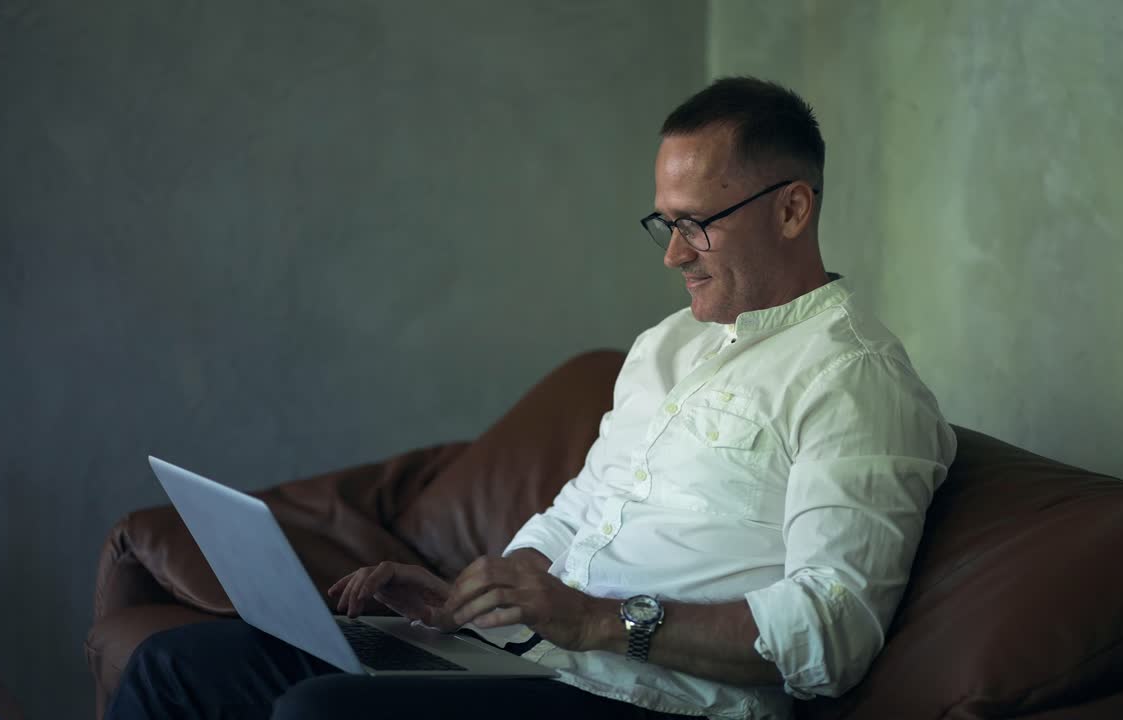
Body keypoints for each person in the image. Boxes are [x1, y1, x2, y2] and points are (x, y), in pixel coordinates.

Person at [106, 77, 957, 720]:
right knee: (176, 666)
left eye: (697, 223)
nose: (673, 256)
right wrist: (471, 596)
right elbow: (582, 507)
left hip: (648, 699)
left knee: (318, 712)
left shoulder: (855, 381)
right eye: (665, 224)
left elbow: (834, 630)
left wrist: (598, 622)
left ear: (793, 210)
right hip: (529, 656)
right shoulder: (668, 347)